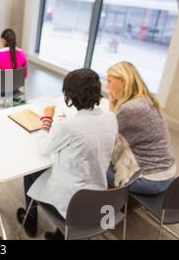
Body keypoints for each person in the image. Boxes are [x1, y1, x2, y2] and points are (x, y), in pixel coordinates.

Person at [17, 68, 117, 240]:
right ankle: (60, 234)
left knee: (31, 173)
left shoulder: (69, 126)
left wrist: (46, 120)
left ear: (70, 96)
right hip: (98, 196)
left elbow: (43, 148)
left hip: (72, 202)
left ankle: (31, 220)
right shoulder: (111, 118)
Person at [106, 61, 176, 195]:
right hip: (166, 172)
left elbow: (108, 135)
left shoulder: (131, 109)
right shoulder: (146, 100)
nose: (107, 86)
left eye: (110, 81)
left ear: (123, 82)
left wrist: (111, 103)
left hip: (151, 180)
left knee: (96, 163)